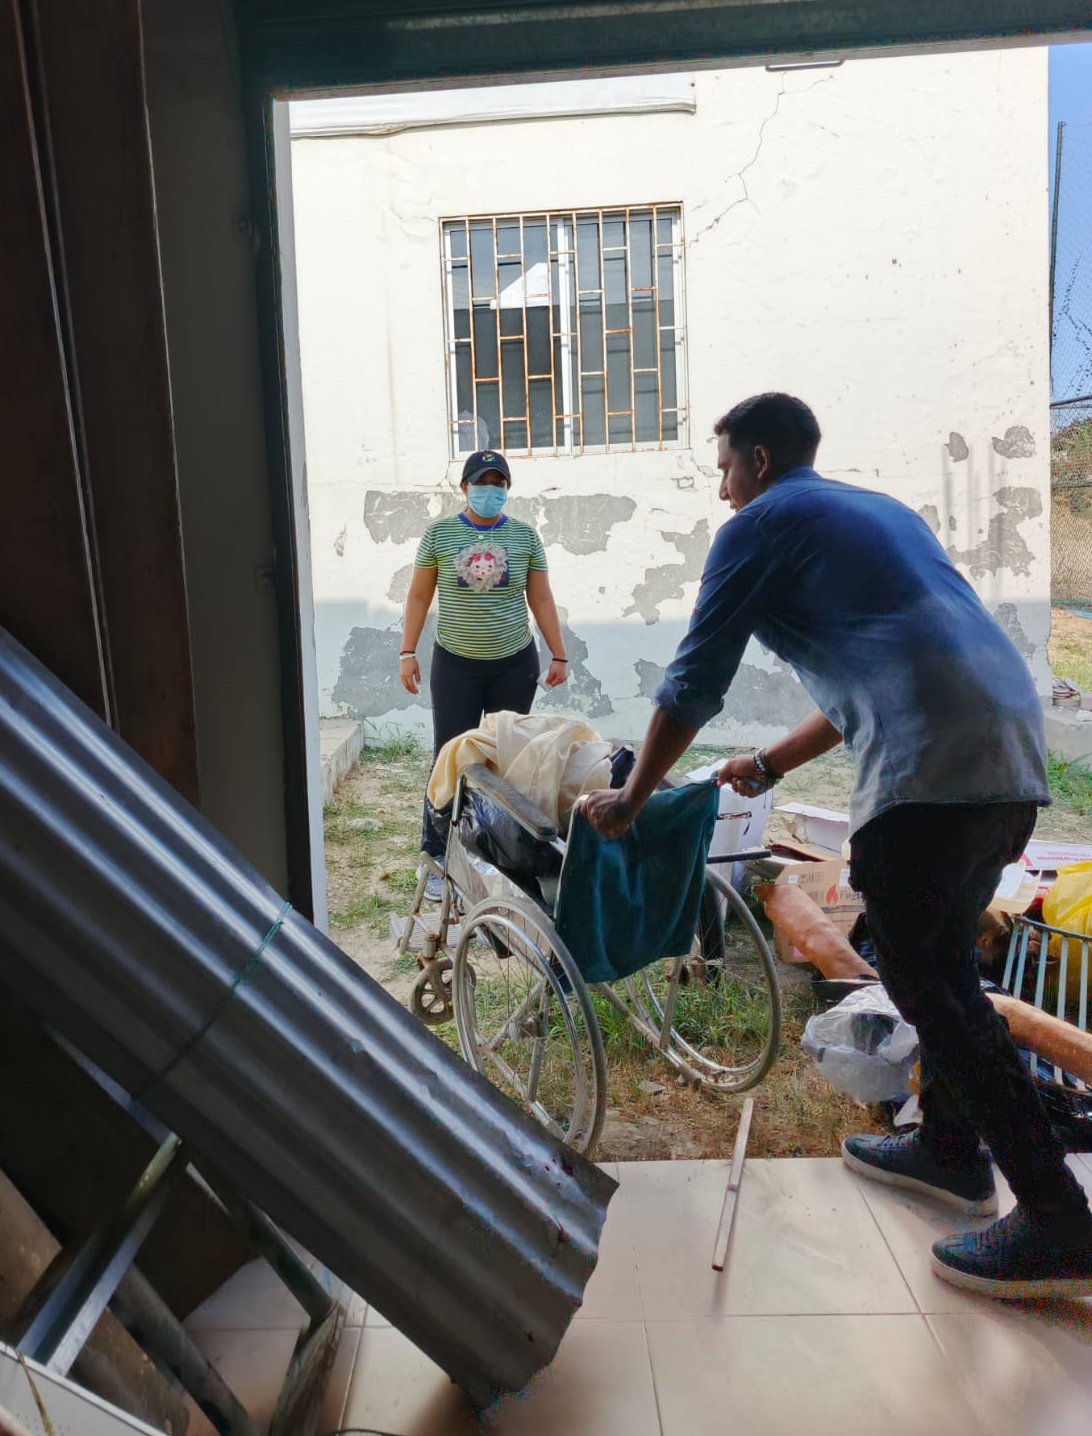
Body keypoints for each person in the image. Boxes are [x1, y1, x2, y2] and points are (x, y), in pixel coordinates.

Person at [583, 390, 1092, 1300]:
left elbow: (692, 683)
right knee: (942, 964)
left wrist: (631, 798)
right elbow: (888, 665)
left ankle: (1057, 1217)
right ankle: (948, 1149)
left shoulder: (758, 526)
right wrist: (769, 763)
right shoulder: (876, 513)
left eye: (726, 470)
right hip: (1008, 752)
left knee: (927, 980)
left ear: (760, 461)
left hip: (932, 765)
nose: (724, 492)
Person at [399, 450, 568, 898]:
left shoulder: (525, 536)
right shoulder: (439, 534)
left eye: (498, 483)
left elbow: (541, 599)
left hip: (514, 664)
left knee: (507, 759)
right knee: (449, 757)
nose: (490, 490)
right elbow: (418, 597)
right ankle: (437, 856)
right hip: (455, 666)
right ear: (464, 487)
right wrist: (407, 651)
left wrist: (559, 655)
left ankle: (501, 855)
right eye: (481, 482)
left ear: (507, 489)